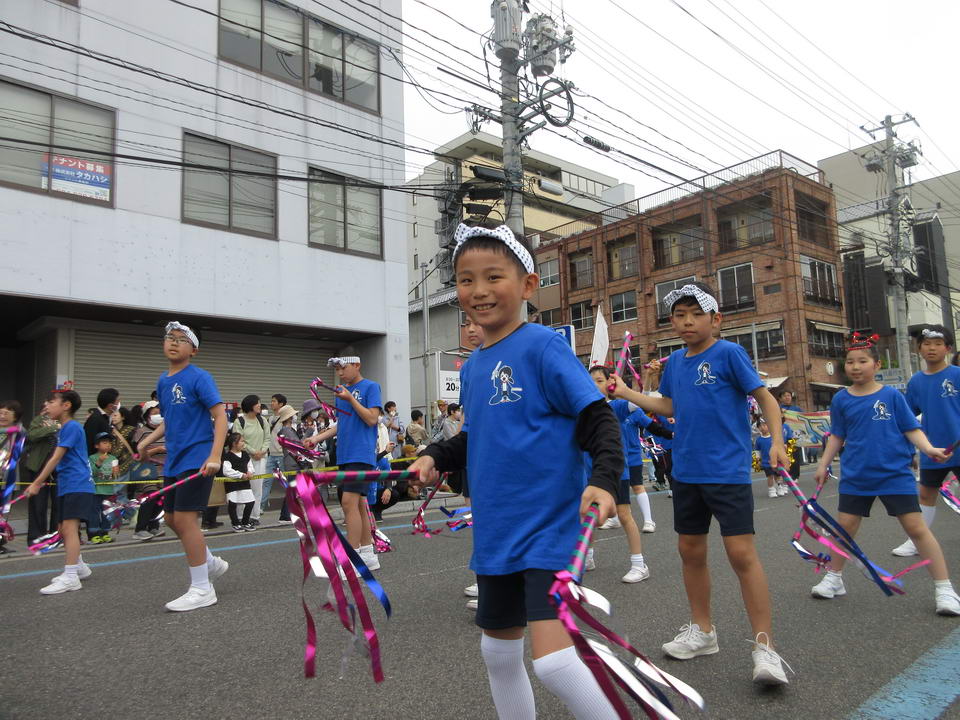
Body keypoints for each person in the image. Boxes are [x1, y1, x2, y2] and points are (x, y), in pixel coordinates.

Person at [408, 223, 622, 719]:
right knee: (498, 654)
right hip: (497, 531)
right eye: (466, 280)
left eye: (493, 277)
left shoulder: (543, 346)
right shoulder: (472, 366)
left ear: (527, 285)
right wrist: (435, 455)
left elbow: (598, 419)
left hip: (550, 527)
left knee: (555, 664)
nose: (478, 290)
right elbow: (475, 436)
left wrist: (605, 479)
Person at [611, 281, 791, 685]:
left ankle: (765, 648)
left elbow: (765, 397)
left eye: (696, 314)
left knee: (741, 555)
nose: (687, 321)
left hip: (727, 472)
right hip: (686, 472)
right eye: (680, 315)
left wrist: (777, 442)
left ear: (716, 318)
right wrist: (627, 392)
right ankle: (703, 631)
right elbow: (669, 405)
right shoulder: (675, 362)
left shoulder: (729, 353)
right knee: (690, 551)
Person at [811, 331, 960, 615]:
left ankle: (944, 589)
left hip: (894, 474)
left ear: (877, 365)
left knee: (916, 528)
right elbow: (837, 435)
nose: (856, 367)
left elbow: (911, 428)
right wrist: (822, 464)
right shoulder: (841, 399)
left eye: (863, 361)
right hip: (856, 476)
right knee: (844, 527)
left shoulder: (891, 395)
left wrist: (929, 449)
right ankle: (834, 578)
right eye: (850, 362)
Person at [136, 321, 228, 612]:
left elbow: (221, 417)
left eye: (181, 339)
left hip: (198, 457)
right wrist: (146, 442)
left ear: (194, 350)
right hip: (174, 460)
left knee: (187, 521)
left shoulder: (199, 377)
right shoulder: (163, 381)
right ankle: (209, 562)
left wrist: (215, 456)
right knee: (172, 519)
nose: (173, 342)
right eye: (169, 337)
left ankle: (202, 588)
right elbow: (169, 421)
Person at [305, 355, 382, 572]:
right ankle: (367, 554)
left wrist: (351, 399)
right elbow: (341, 423)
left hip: (361, 453)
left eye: (343, 368)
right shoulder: (341, 393)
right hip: (345, 454)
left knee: (348, 503)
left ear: (357, 365)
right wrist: (316, 438)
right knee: (358, 504)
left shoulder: (371, 387)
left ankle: (352, 559)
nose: (340, 373)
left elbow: (372, 418)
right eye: (337, 370)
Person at [888, 326, 959, 556]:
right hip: (933, 449)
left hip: (959, 446)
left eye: (938, 344)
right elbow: (908, 417)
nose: (932, 348)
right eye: (927, 344)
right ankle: (917, 541)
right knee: (926, 494)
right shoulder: (916, 381)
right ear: (919, 349)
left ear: (948, 349)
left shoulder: (957, 374)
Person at [25, 389, 95, 595]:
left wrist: (37, 483)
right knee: (63, 528)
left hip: (77, 484)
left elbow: (56, 457)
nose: (46, 405)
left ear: (66, 406)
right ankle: (79, 567)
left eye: (51, 402)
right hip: (68, 484)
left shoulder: (71, 427)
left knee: (69, 528)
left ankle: (71, 577)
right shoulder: (64, 427)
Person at [589, 365, 649, 583]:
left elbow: (639, 402)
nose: (594, 385)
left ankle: (639, 564)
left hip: (615, 472)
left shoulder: (616, 406)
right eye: (591, 381)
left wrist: (645, 378)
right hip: (590, 473)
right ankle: (588, 557)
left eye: (599, 381)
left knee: (624, 515)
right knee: (589, 516)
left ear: (609, 384)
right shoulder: (581, 410)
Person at [131, 401, 166, 541]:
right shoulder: (141, 432)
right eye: (154, 413)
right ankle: (140, 529)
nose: (158, 415)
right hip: (147, 470)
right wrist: (157, 450)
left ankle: (153, 525)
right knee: (150, 497)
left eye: (159, 413)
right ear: (146, 416)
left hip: (164, 469)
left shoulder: (166, 429)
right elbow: (137, 455)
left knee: (162, 499)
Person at [233, 395, 269, 523]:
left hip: (260, 459)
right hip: (243, 459)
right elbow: (238, 440)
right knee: (242, 488)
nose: (260, 405)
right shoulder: (239, 422)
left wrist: (262, 451)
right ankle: (240, 517)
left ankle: (254, 516)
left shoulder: (262, 420)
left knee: (257, 489)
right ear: (250, 406)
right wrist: (253, 452)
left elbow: (267, 438)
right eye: (257, 403)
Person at [0, 400, 24, 555]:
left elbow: (16, 454)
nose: (2, 416)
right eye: (0, 413)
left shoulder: (19, 432)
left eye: (6, 413)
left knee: (3, 512)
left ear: (15, 416)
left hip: (8, 478)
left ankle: (0, 542)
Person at [86, 431, 119, 543]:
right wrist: (99, 462)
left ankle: (105, 533)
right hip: (96, 490)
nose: (108, 445)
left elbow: (115, 476)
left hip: (109, 490)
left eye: (109, 443)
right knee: (94, 513)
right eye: (104, 443)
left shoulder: (113, 458)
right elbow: (91, 473)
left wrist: (116, 472)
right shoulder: (92, 458)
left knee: (107, 512)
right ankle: (94, 534)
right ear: (96, 445)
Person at [221, 432, 256, 532]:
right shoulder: (228, 456)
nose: (243, 443)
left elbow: (250, 466)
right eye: (241, 441)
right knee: (232, 503)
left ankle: (245, 521)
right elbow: (227, 471)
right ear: (234, 443)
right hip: (232, 484)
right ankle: (235, 523)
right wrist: (240, 475)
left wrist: (250, 472)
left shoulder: (245, 454)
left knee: (250, 502)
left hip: (244, 483)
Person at [264, 393, 288, 511]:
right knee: (266, 481)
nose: (271, 403)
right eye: (271, 401)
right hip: (271, 455)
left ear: (281, 404)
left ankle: (290, 506)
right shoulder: (270, 419)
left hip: (282, 455)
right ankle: (261, 507)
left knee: (285, 481)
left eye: (274, 401)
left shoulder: (286, 419)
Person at [84, 388, 120, 455]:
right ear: (110, 406)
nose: (119, 403)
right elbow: (89, 443)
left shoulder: (108, 417)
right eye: (117, 401)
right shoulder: (95, 419)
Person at [754, 420, 783, 499]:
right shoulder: (758, 440)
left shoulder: (774, 438)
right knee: (770, 476)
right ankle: (771, 490)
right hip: (766, 462)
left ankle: (779, 487)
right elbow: (757, 451)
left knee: (777, 476)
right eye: (760, 426)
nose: (762, 428)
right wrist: (758, 460)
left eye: (764, 425)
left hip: (776, 461)